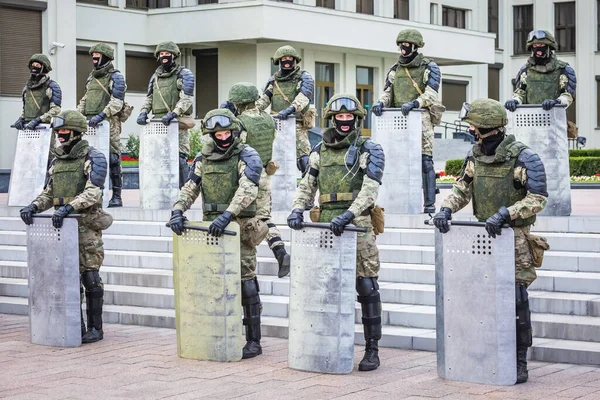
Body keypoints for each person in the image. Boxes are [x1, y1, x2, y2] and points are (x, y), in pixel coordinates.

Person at [433, 98, 548, 383]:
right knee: (481, 297)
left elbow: (538, 198)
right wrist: (446, 208)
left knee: (517, 300)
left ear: (486, 127)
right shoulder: (475, 156)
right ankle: (483, 352)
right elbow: (463, 188)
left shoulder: (523, 157)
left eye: (473, 125)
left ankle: (520, 360)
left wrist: (507, 213)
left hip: (515, 238)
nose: (470, 129)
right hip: (483, 239)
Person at [287, 94, 385, 371]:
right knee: (324, 286)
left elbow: (370, 189)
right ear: (331, 119)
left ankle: (372, 349)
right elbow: (308, 183)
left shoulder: (369, 148)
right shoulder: (319, 150)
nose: (344, 122)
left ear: (356, 119)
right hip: (326, 223)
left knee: (366, 286)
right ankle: (325, 343)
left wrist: (349, 215)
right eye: (339, 117)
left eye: (349, 117)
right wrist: (298, 209)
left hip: (358, 224)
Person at [169, 108, 267, 359]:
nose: (222, 137)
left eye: (226, 132)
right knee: (214, 282)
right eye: (217, 133)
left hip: (239, 228)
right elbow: (190, 187)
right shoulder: (204, 158)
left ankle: (254, 341)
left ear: (234, 131)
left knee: (246, 283)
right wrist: (178, 211)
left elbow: (248, 188)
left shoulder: (247, 154)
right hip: (211, 229)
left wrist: (229, 215)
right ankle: (217, 331)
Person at [20, 110, 112, 344]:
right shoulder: (57, 160)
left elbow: (94, 191)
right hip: (62, 227)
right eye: (58, 131)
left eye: (64, 131)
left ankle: (95, 328)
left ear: (76, 131)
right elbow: (49, 193)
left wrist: (69, 208)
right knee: (66, 278)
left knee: (90, 277)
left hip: (85, 226)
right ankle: (75, 325)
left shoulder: (94, 157)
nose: (60, 135)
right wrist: (33, 206)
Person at [224, 82, 291, 278]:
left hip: (246, 175)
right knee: (264, 217)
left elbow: (236, 148)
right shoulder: (268, 119)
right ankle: (280, 252)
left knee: (244, 217)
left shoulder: (240, 122)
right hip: (264, 173)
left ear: (238, 102)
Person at [372, 28, 441, 214]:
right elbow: (387, 92)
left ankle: (429, 205)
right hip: (399, 121)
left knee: (425, 161)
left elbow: (431, 94)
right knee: (396, 160)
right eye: (401, 44)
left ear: (415, 46)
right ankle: (396, 201)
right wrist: (380, 103)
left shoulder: (429, 67)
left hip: (421, 119)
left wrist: (415, 103)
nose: (403, 47)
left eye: (407, 44)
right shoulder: (395, 69)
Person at [137, 41, 195, 188]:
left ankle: (183, 192)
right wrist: (143, 112)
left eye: (167, 54)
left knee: (180, 157)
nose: (164, 56)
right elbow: (150, 97)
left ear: (174, 55)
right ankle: (161, 189)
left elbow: (186, 98)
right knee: (158, 157)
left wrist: (174, 114)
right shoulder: (155, 77)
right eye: (161, 54)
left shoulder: (184, 74)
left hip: (178, 123)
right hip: (158, 123)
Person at [77, 43, 127, 208]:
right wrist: (77, 116)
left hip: (109, 123)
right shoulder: (91, 77)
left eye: (97, 55)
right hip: (90, 124)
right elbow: (85, 99)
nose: (94, 58)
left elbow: (117, 102)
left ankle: (117, 196)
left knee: (113, 158)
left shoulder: (116, 77)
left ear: (105, 56)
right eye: (93, 56)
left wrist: (102, 115)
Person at [255, 45, 314, 173]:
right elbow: (265, 99)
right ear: (279, 61)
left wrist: (290, 109)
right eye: (284, 58)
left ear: (295, 60)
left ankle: (308, 181)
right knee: (270, 154)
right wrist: (253, 111)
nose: (287, 60)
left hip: (296, 123)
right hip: (277, 123)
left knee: (303, 154)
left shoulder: (304, 77)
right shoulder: (274, 80)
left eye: (289, 58)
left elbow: (304, 97)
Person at [505, 30, 576, 112]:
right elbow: (521, 92)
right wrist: (515, 101)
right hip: (529, 120)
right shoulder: (525, 70)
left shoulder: (562, 69)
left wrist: (557, 102)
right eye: (535, 45)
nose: (538, 48)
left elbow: (568, 95)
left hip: (554, 119)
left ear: (549, 47)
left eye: (541, 45)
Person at [13, 54, 62, 154]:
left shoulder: (52, 86)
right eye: (33, 64)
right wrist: (21, 119)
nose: (34, 67)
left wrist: (39, 120)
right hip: (27, 131)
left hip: (44, 130)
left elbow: (56, 110)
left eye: (38, 65)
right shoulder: (27, 89)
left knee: (46, 158)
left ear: (44, 67)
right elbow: (26, 108)